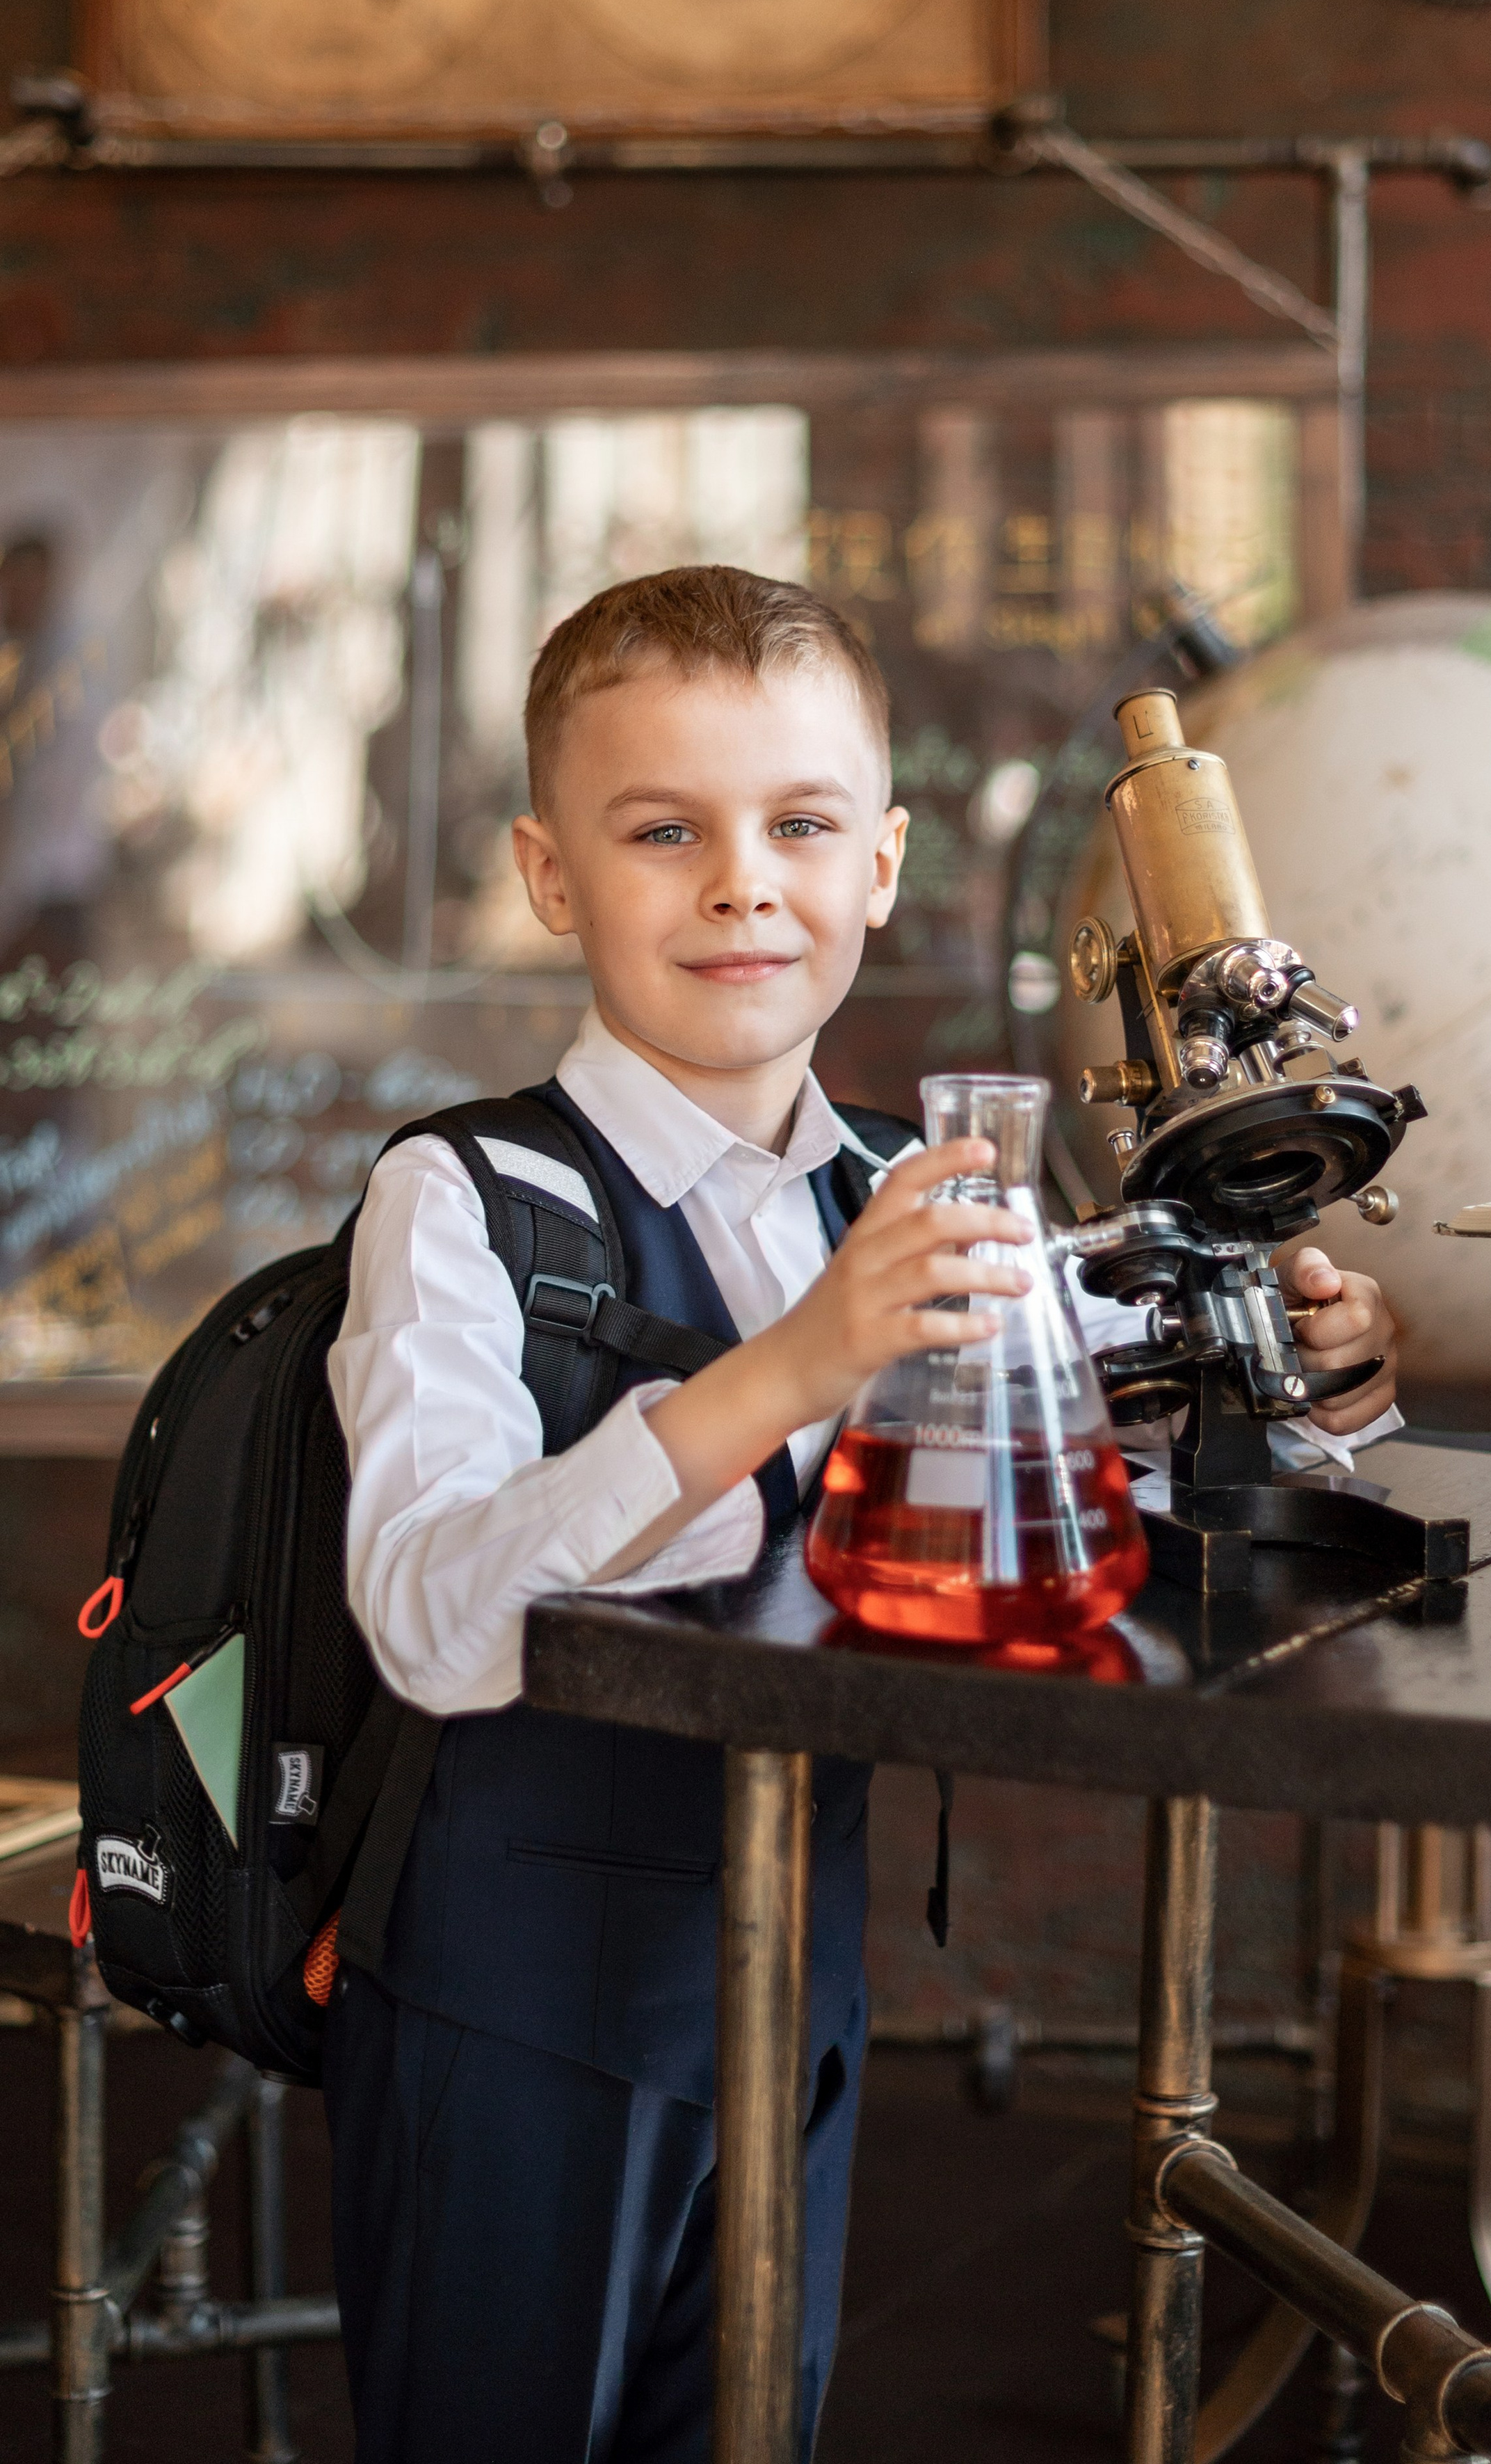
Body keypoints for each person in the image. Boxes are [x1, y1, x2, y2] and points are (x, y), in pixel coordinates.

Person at [323, 563, 1398, 2463]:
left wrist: (1311, 1378)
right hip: (514, 2017)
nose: (743, 883)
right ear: (551, 874)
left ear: (882, 862)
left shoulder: (922, 1182)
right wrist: (793, 1366)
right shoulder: (465, 1199)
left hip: (791, 1984)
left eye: (801, 825)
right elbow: (424, 1608)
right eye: (664, 830)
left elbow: (1117, 1470)